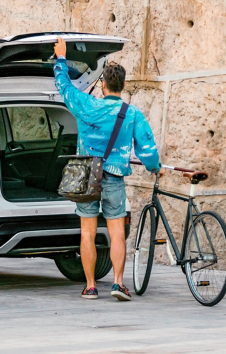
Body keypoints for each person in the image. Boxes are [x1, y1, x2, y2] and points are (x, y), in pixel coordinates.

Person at [53, 37, 163, 302]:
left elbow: (64, 86)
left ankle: (91, 286)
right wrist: (155, 168)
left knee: (88, 232)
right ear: (123, 86)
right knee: (116, 233)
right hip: (114, 179)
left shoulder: (87, 105)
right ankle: (117, 284)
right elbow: (148, 150)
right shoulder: (132, 113)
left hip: (87, 177)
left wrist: (60, 59)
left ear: (102, 85)